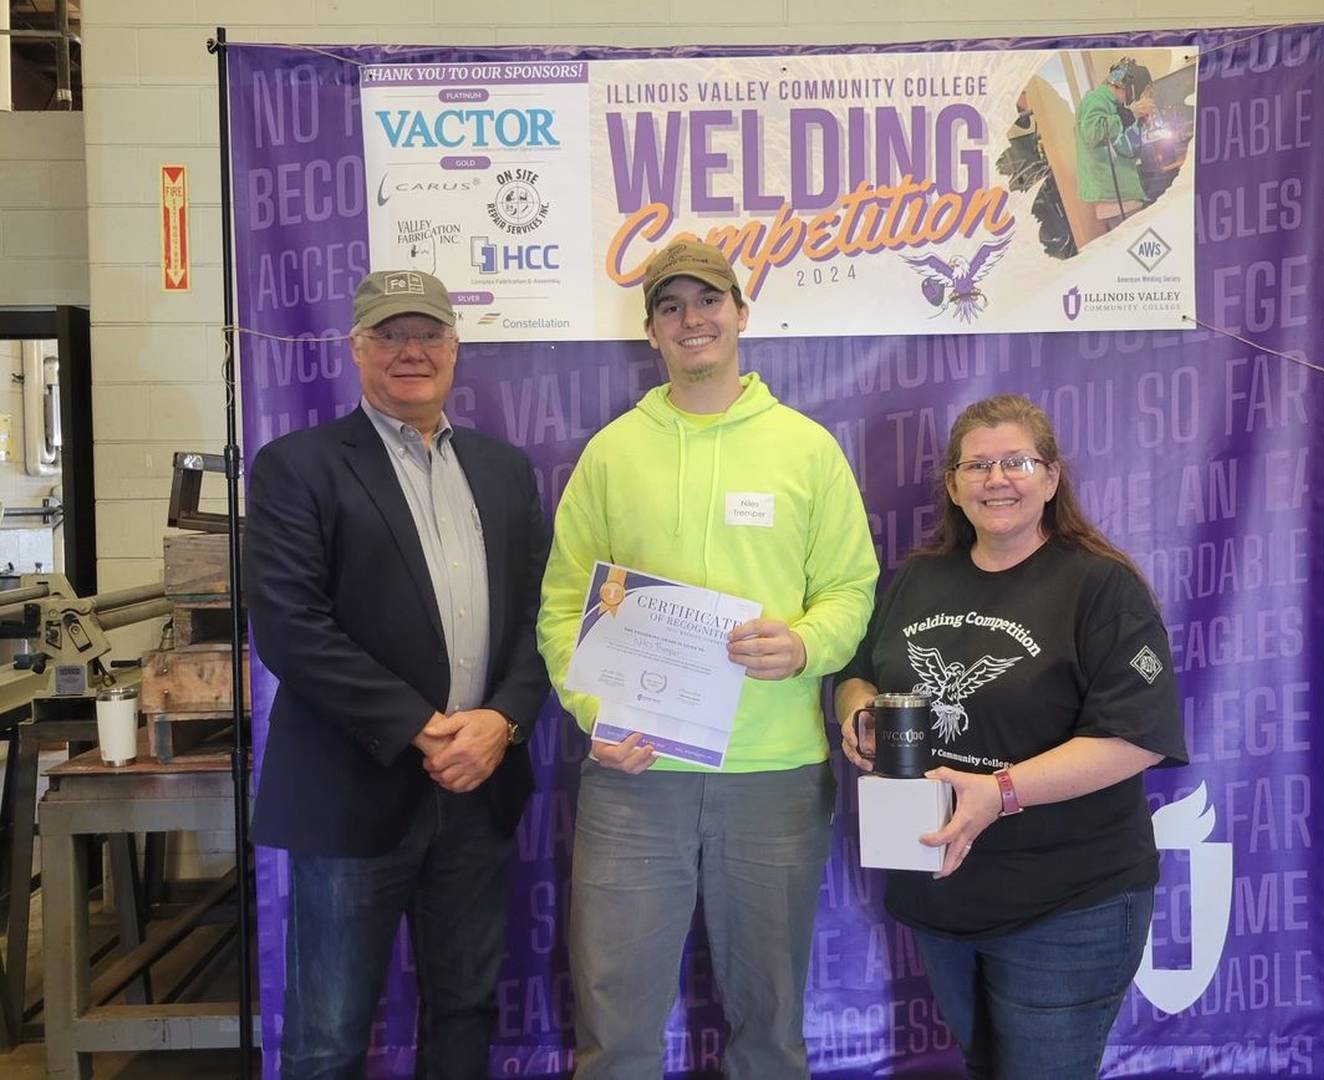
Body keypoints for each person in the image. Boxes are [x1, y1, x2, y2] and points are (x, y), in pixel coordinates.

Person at [537, 238, 878, 1079]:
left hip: (775, 777)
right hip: (632, 771)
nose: (693, 320)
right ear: (651, 330)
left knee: (769, 1036)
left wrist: (804, 644)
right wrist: (595, 712)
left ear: (741, 314)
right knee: (615, 1038)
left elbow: (851, 589)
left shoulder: (806, 450)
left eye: (709, 300)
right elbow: (559, 606)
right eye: (671, 306)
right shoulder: (612, 452)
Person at [246, 269, 550, 1079]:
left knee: (464, 1014)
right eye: (389, 334)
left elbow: (539, 621)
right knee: (327, 1037)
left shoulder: (504, 470)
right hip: (349, 793)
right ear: (356, 348)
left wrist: (502, 722)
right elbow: (289, 628)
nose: (410, 351)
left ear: (456, 348)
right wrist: (424, 727)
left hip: (477, 789)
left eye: (427, 334)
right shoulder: (296, 466)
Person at [835, 393, 1186, 1080]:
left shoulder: (1100, 588)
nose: (998, 479)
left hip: (1065, 901)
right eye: (978, 465)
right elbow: (853, 675)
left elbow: (1135, 736)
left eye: (1017, 462)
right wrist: (860, 712)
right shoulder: (915, 580)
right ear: (953, 486)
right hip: (941, 890)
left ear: (1051, 478)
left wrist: (1000, 791)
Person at [1075, 58, 1157, 226]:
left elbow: (1126, 148)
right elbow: (1093, 133)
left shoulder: (1115, 107)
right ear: (1129, 87)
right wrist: (1131, 113)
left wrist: (1139, 121)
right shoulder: (1095, 100)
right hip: (1115, 201)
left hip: (1126, 194)